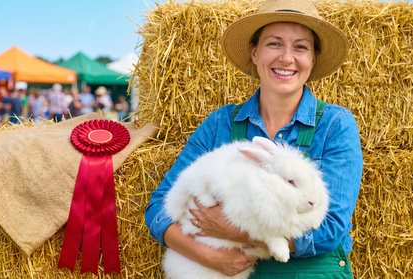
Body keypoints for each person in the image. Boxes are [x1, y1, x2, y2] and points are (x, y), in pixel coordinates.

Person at [145, 0, 363, 278]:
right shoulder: (221, 124)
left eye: (300, 46)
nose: (286, 58)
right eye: (274, 44)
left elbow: (329, 230)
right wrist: (207, 256)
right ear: (255, 53)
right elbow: (158, 210)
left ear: (313, 58)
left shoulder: (335, 125)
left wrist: (234, 231)